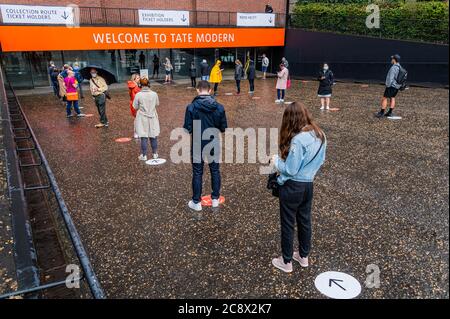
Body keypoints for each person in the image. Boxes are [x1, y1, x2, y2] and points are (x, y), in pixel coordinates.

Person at [270, 102, 327, 273]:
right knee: (304, 221)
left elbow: (290, 169)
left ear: (291, 118)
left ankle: (286, 261)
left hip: (292, 187)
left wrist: (275, 161)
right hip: (308, 185)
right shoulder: (320, 134)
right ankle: (303, 256)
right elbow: (322, 160)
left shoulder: (298, 139)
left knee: (288, 223)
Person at [183, 81, 228, 211]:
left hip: (197, 141)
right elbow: (223, 128)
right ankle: (215, 199)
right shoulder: (219, 107)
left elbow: (187, 129)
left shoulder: (191, 107)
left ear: (197, 90)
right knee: (215, 170)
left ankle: (196, 202)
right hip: (213, 141)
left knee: (197, 172)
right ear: (209, 91)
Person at [133, 78, 160, 161]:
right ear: (149, 84)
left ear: (140, 85)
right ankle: (155, 153)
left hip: (142, 117)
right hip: (152, 116)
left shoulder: (138, 95)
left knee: (143, 136)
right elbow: (157, 104)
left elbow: (135, 106)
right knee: (153, 135)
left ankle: (144, 155)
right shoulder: (154, 94)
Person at [376, 54, 402, 118]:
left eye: (392, 59)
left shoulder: (393, 67)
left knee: (384, 98)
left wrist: (388, 85)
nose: (391, 60)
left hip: (391, 86)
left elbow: (391, 78)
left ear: (394, 60)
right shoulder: (400, 67)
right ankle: (390, 112)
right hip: (397, 86)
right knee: (392, 97)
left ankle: (381, 113)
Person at [128, 73, 141, 138]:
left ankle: (137, 132)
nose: (139, 79)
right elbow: (135, 97)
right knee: (137, 119)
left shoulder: (133, 85)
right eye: (138, 78)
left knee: (137, 119)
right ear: (134, 79)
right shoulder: (135, 87)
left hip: (133, 104)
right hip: (135, 105)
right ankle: (136, 132)